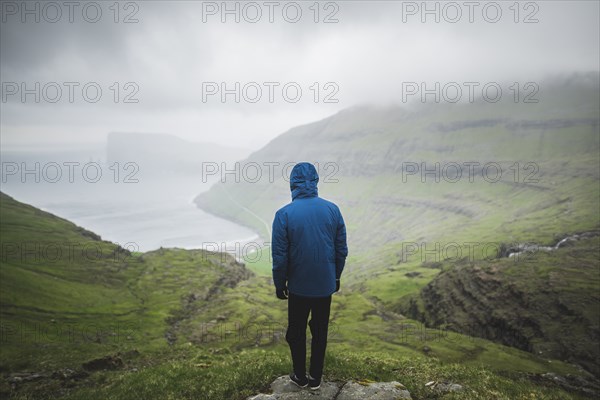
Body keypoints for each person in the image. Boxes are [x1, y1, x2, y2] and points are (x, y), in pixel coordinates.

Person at [271, 162, 348, 390]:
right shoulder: (332, 209)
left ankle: (299, 376)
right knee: (320, 330)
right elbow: (341, 249)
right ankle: (315, 378)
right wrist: (335, 277)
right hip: (325, 284)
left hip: (298, 286)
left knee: (296, 331)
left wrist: (279, 284)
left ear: (292, 183)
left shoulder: (283, 214)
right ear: (315, 181)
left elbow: (280, 257)